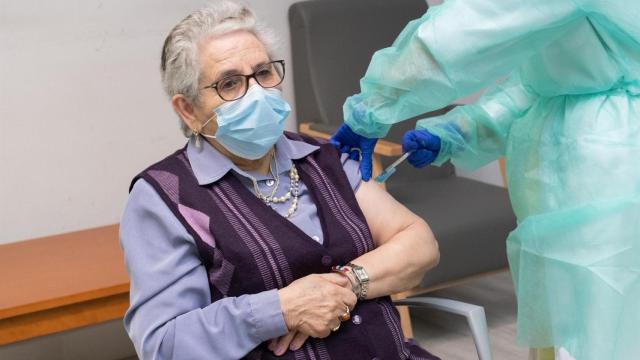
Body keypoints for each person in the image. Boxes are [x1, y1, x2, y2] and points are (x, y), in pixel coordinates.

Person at [119, 1, 442, 359]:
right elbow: (163, 344)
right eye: (230, 83)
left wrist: (346, 284)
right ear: (188, 110)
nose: (257, 92)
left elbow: (418, 243)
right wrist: (281, 310)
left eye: (264, 72)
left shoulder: (321, 157)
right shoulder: (166, 197)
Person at [330, 0, 640, 359]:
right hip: (575, 174)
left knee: (607, 324)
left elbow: (455, 38)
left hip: (613, 172)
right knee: (565, 328)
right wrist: (460, 130)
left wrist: (374, 106)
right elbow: (534, 86)